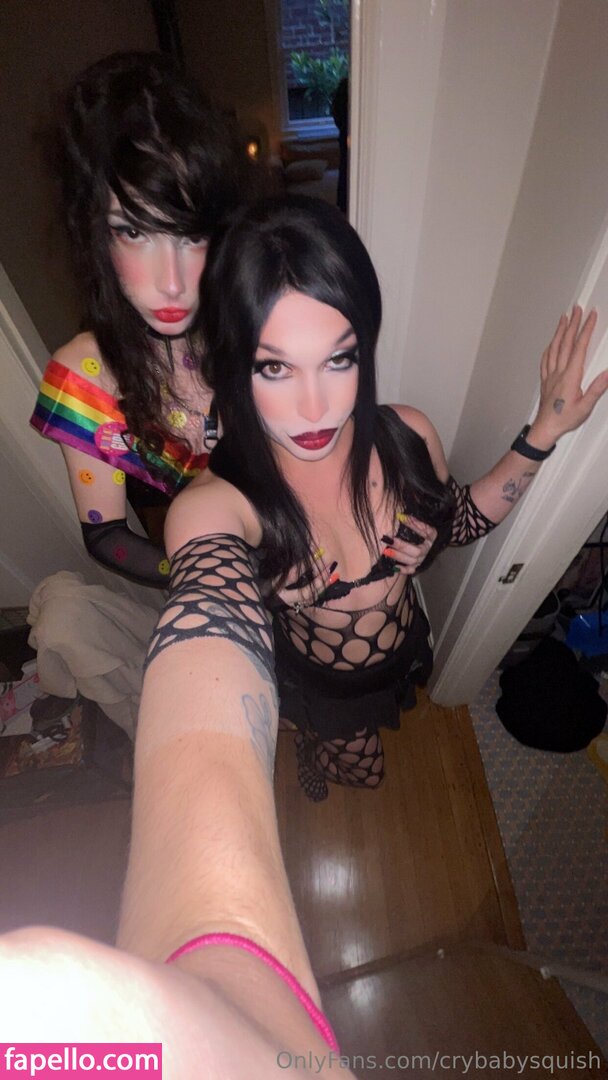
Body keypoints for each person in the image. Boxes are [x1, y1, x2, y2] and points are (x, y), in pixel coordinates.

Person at [161, 194, 608, 800]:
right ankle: (312, 745)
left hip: (400, 653)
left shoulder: (407, 435)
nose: (315, 408)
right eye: (275, 368)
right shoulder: (221, 504)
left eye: (339, 359)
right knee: (365, 774)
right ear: (236, 364)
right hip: (325, 685)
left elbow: (460, 520)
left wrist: (544, 433)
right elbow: (204, 616)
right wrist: (260, 598)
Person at [27, 51, 253, 736]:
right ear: (95, 234)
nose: (171, 281)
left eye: (189, 233)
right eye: (133, 230)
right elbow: (105, 536)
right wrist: (207, 575)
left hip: (288, 534)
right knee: (65, 619)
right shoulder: (84, 377)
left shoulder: (264, 319)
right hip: (198, 556)